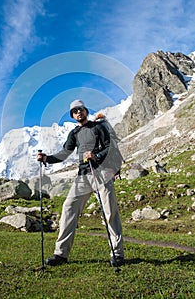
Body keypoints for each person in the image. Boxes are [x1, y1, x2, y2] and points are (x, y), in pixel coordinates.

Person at [37, 99, 124, 267]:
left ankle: (117, 253)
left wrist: (96, 156)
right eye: (75, 111)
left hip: (101, 173)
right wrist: (47, 158)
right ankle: (61, 254)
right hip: (83, 175)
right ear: (72, 115)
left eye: (81, 109)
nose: (78, 112)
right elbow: (64, 153)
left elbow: (110, 147)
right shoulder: (74, 133)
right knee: (68, 207)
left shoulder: (98, 127)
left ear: (85, 111)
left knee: (110, 212)